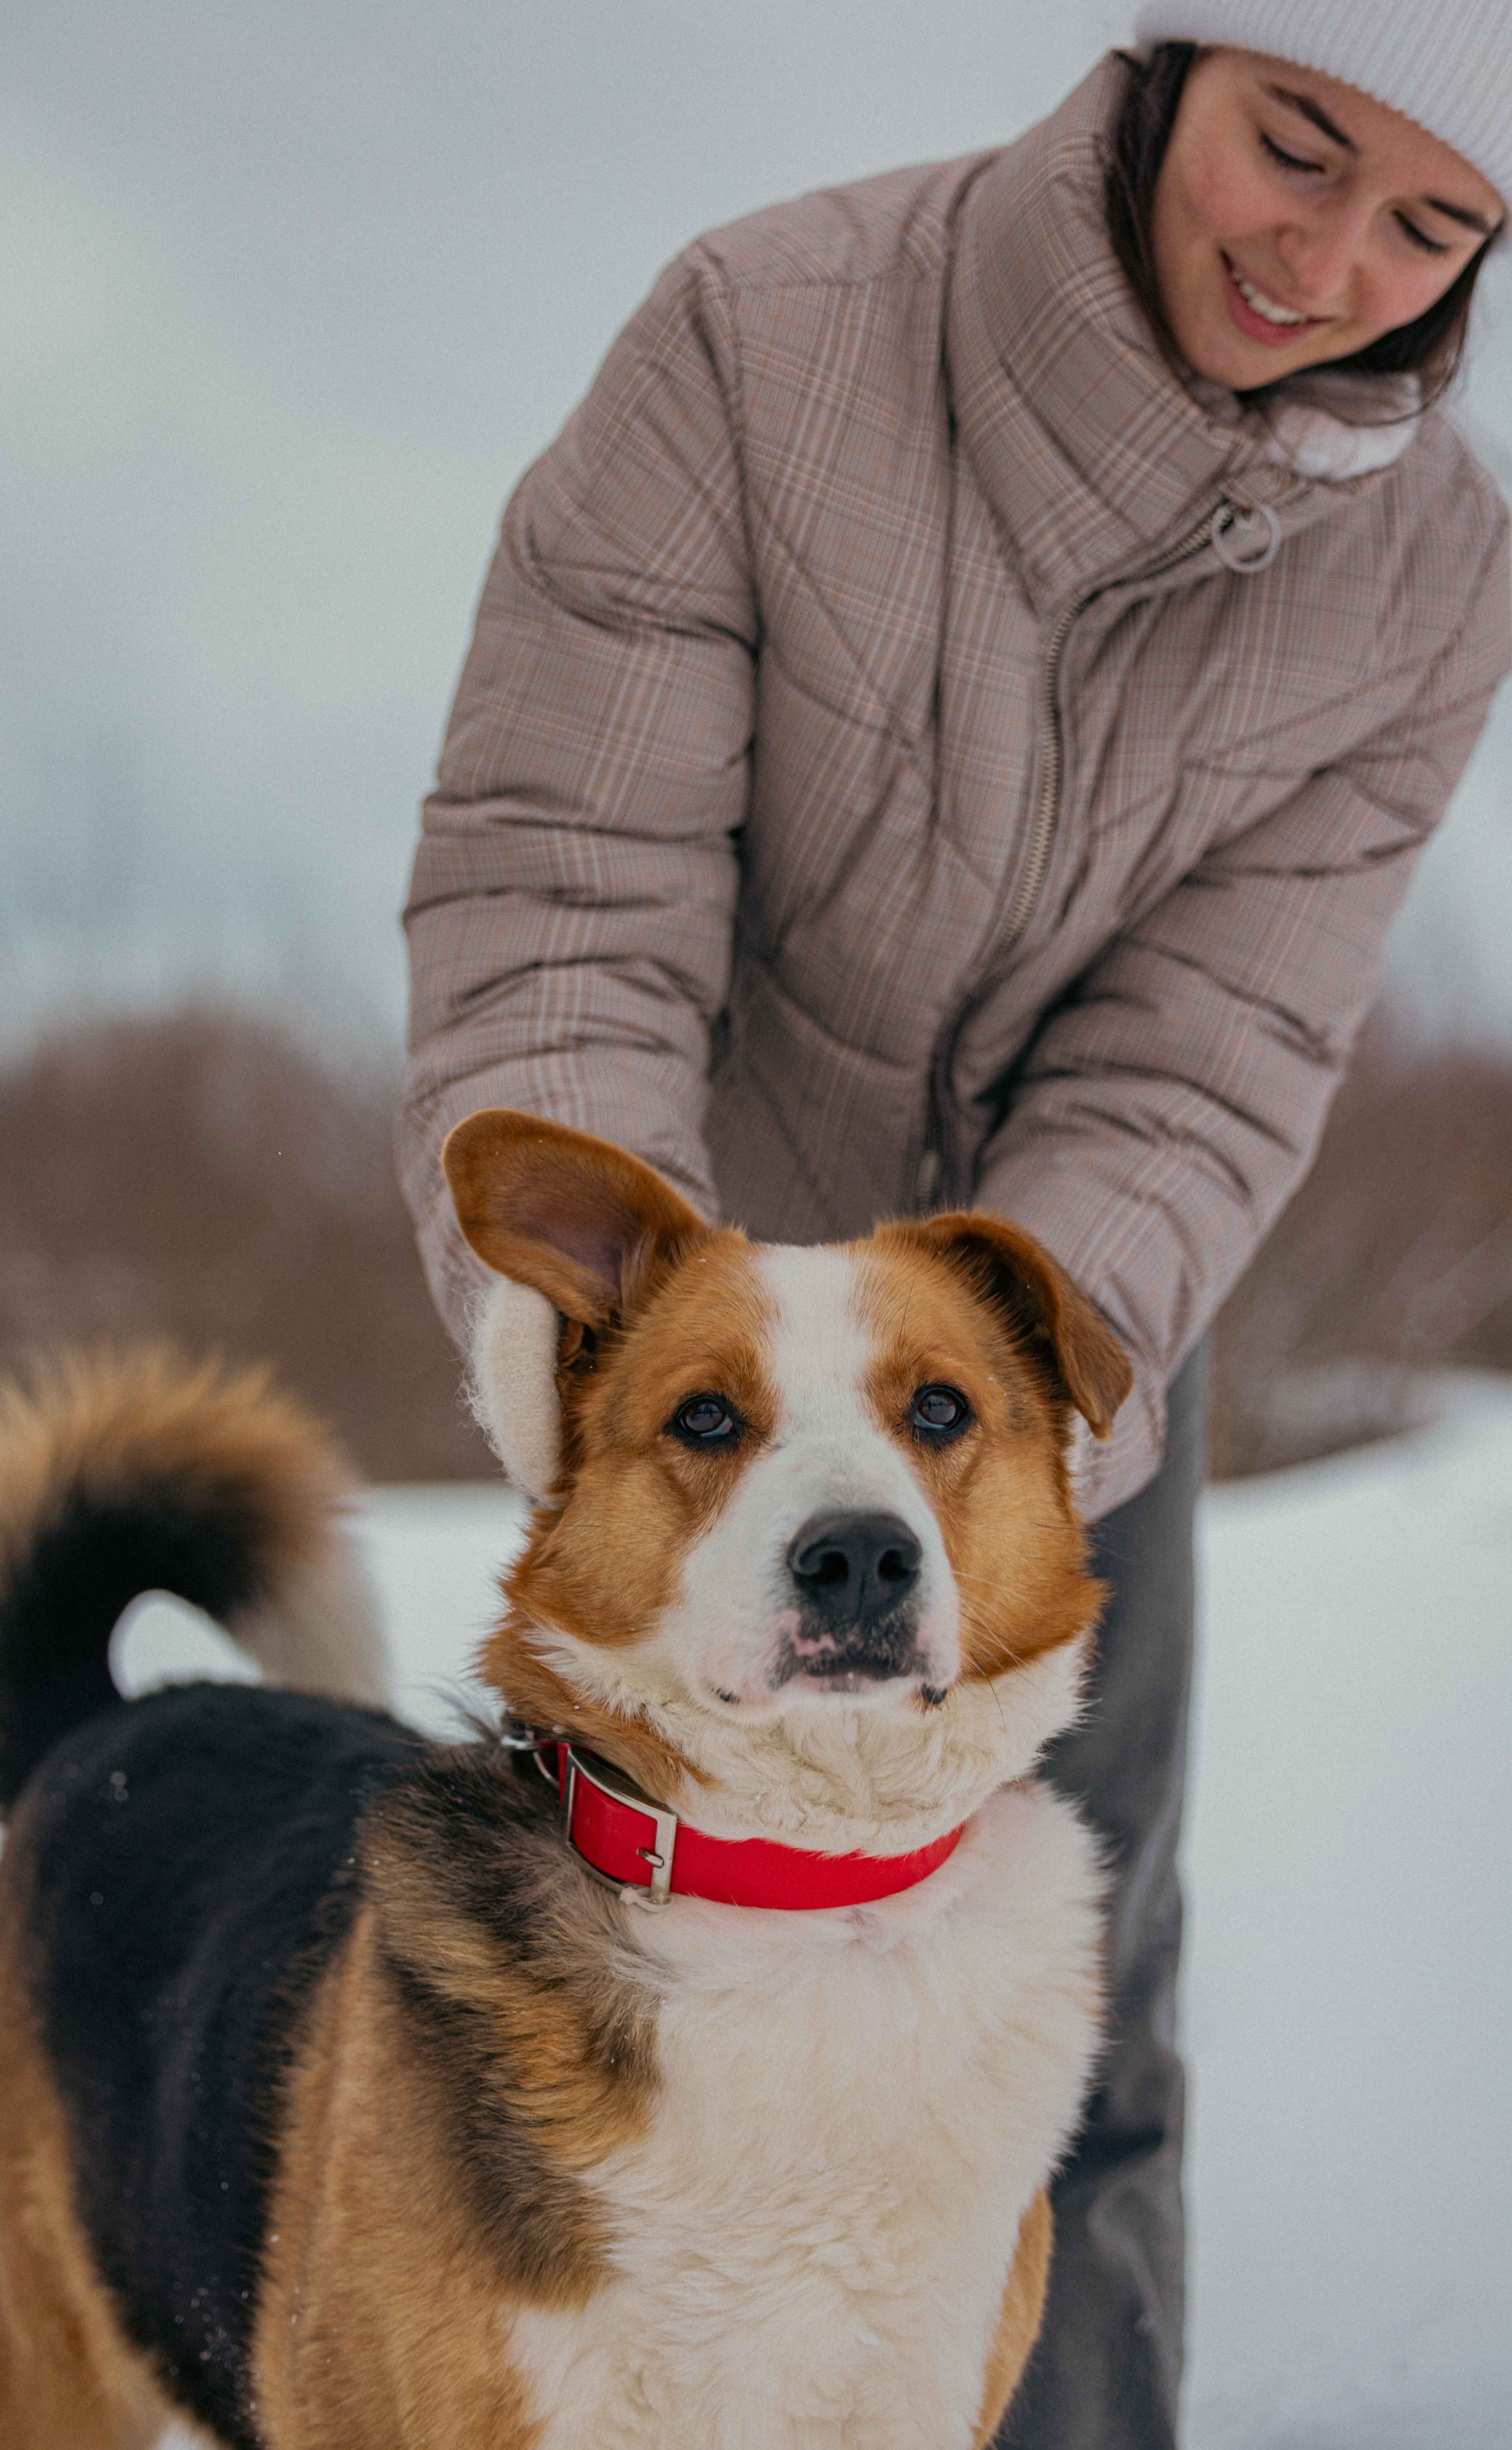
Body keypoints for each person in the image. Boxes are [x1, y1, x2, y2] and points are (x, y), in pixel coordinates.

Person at [398, 6, 1511, 2442]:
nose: (1327, 262)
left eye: (1432, 224)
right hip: (692, 1272)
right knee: (631, 1925)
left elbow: (1212, 1049)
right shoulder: (765, 335)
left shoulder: (1439, 572)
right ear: (1171, 73)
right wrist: (591, 1364)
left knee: (1069, 1950)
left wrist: (1004, 1411)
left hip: (1058, 1333)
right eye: (1295, 146)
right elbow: (566, 877)